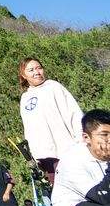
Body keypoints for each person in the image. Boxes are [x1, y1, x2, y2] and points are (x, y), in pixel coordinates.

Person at [19, 57, 84, 185]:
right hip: (45, 155)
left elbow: (74, 113)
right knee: (62, 195)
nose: (36, 72)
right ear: (23, 75)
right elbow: (29, 128)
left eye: (39, 68)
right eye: (31, 70)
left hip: (67, 150)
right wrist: (35, 154)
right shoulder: (25, 98)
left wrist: (81, 140)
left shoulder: (54, 87)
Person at [51, 109, 110, 206]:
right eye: (104, 135)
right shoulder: (72, 159)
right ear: (86, 137)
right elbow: (102, 196)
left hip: (100, 205)